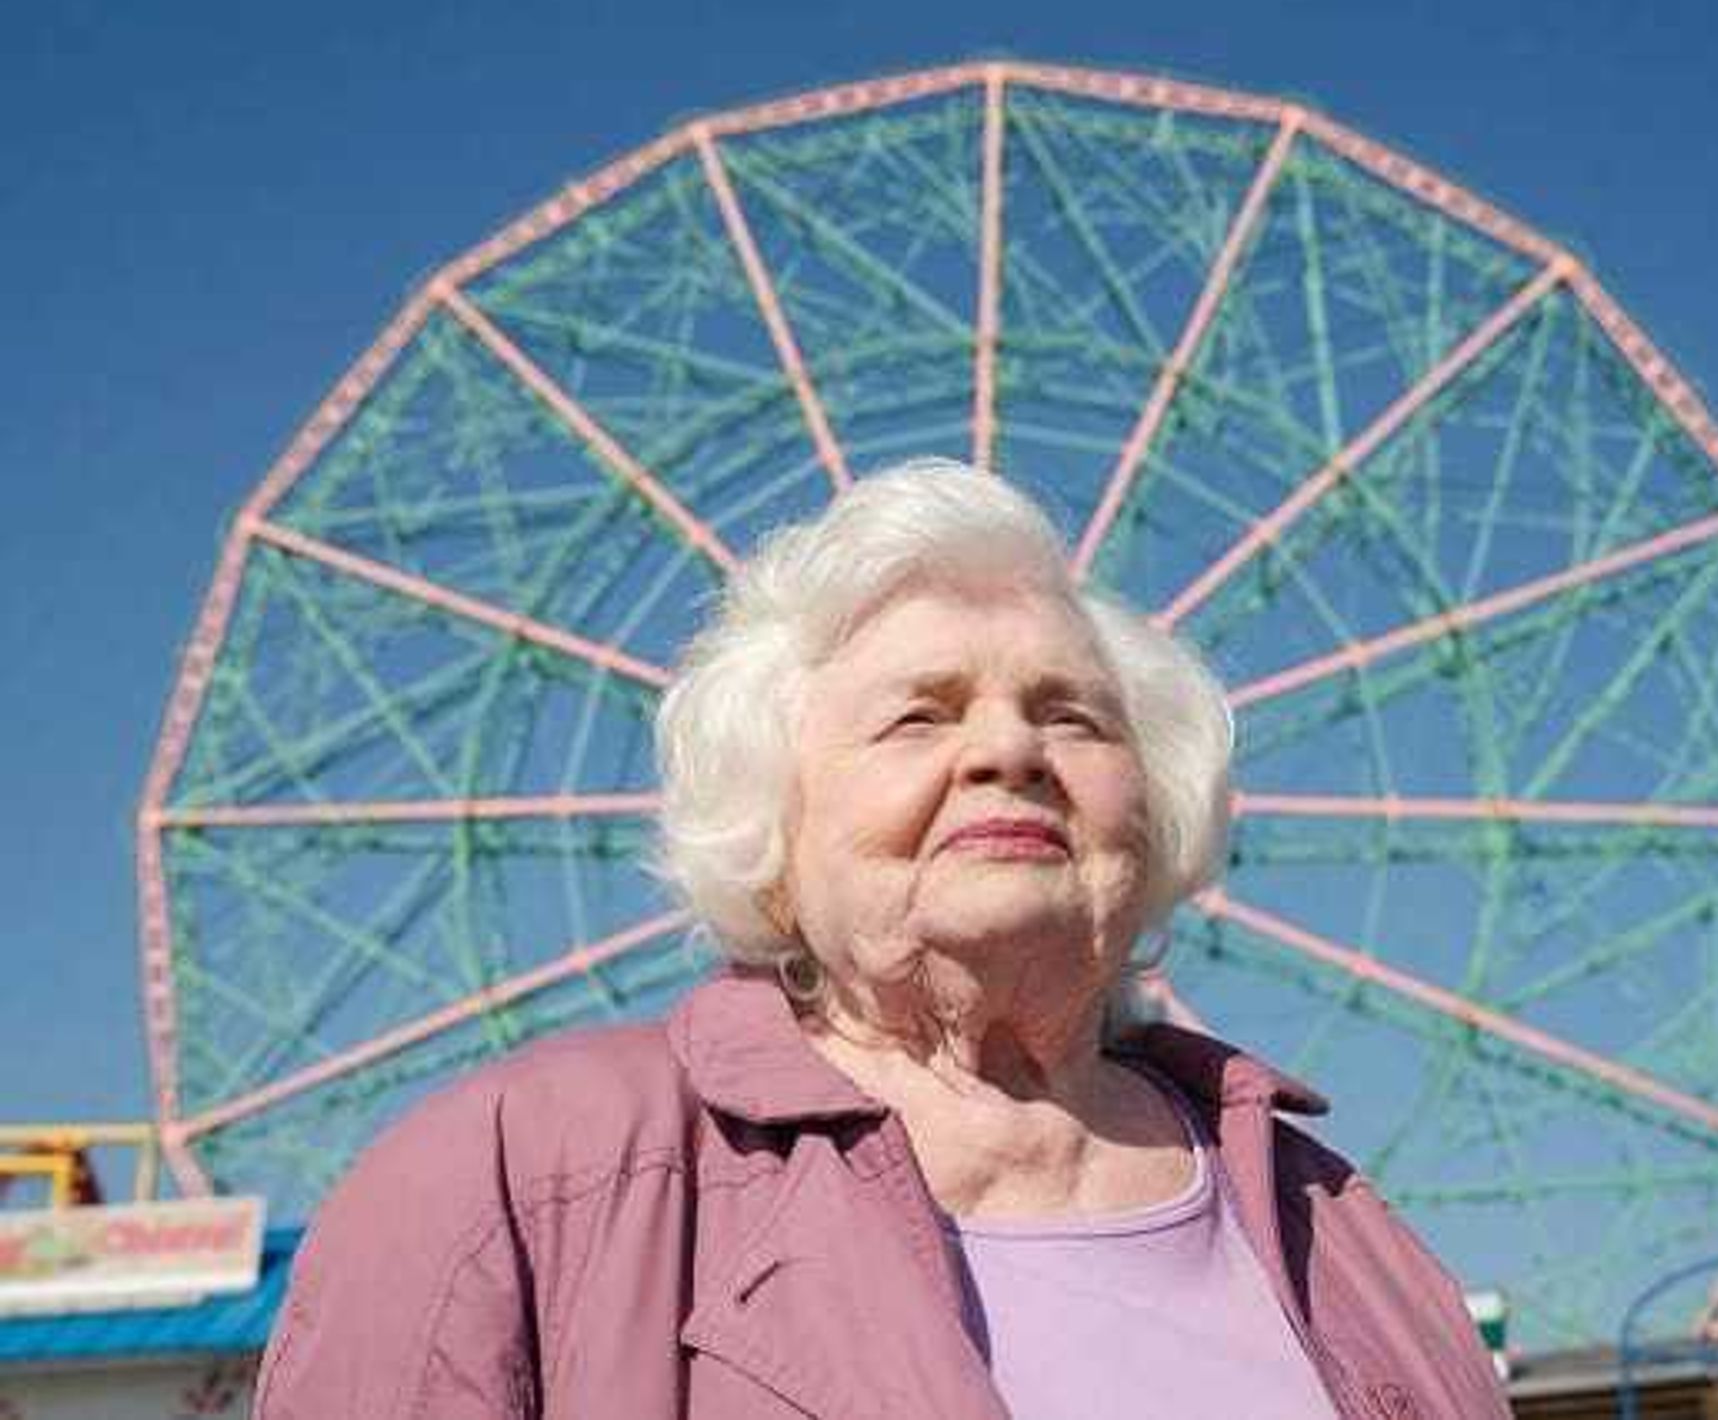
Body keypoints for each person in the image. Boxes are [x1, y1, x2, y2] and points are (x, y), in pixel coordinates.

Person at [254, 460, 1509, 1419]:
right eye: (919, 716)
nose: (1007, 752)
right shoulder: (518, 1183)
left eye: (1073, 717)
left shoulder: (1344, 1232)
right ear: (772, 822)